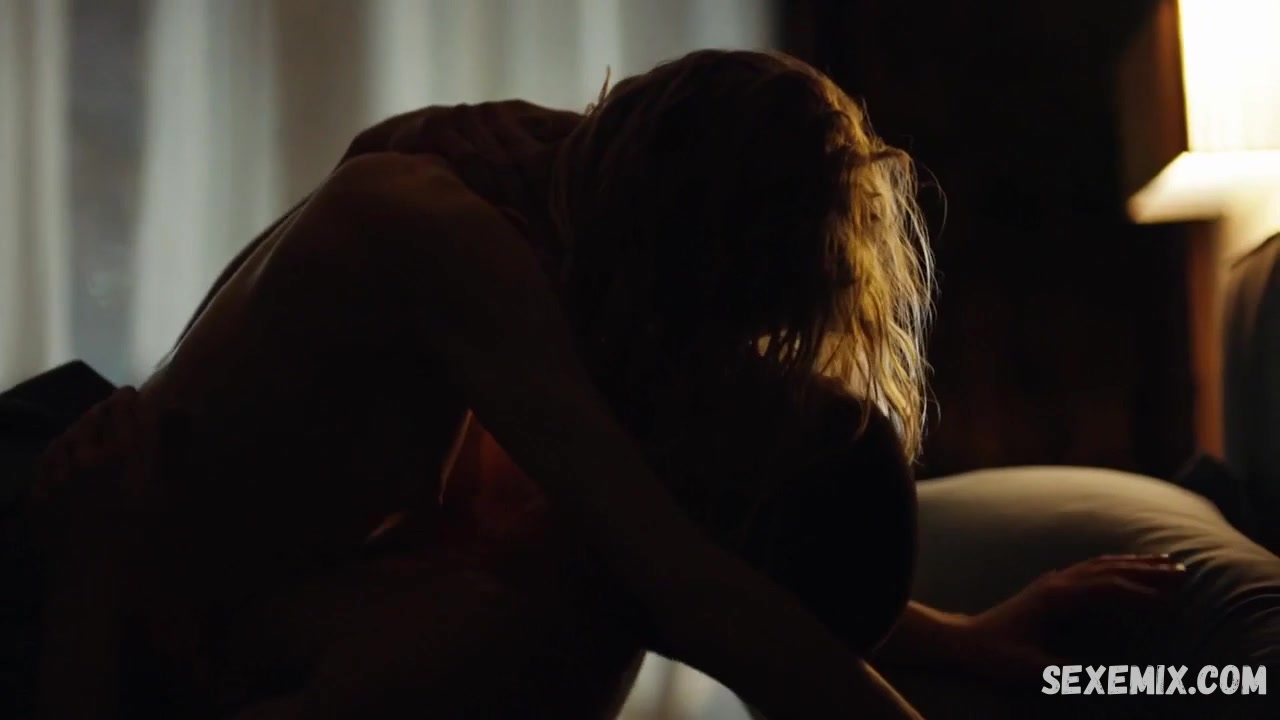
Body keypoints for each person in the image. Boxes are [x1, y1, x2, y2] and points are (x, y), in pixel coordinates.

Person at [10, 48, 1185, 719]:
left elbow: (684, 553)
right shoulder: (459, 250)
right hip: (46, 547)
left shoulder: (529, 200)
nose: (704, 370)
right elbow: (677, 568)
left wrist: (961, 642)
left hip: (132, 586)